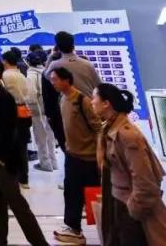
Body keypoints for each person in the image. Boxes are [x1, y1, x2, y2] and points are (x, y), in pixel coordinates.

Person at [92, 83, 166, 246]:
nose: (91, 102)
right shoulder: (109, 130)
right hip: (118, 202)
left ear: (106, 103)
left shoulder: (127, 136)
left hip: (129, 208)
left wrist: (133, 209)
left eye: (94, 98)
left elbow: (145, 180)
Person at [0, 57, 49, 246]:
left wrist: (1, 158)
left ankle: (40, 242)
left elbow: (9, 131)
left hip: (3, 161)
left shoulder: (4, 98)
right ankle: (0, 240)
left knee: (17, 204)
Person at [48, 66, 100, 245]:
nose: (53, 83)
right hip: (72, 155)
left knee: (94, 195)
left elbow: (97, 127)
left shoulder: (82, 100)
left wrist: (100, 153)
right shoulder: (62, 98)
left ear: (66, 80)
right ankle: (73, 229)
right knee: (71, 193)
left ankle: (106, 227)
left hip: (88, 157)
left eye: (55, 79)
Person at [2, 49, 35, 188]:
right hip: (24, 111)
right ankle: (24, 179)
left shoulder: (5, 75)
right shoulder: (22, 75)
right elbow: (31, 94)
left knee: (10, 146)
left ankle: (11, 178)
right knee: (22, 147)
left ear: (5, 61)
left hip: (11, 112)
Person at [26, 48, 58, 173]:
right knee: (50, 136)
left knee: (41, 138)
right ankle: (54, 162)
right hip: (49, 109)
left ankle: (45, 163)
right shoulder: (47, 72)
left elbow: (30, 95)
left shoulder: (31, 74)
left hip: (37, 110)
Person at [46, 32, 100, 97]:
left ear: (57, 47)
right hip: (89, 100)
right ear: (73, 46)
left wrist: (51, 56)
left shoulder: (55, 65)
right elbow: (99, 84)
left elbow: (46, 75)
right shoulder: (88, 64)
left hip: (69, 101)